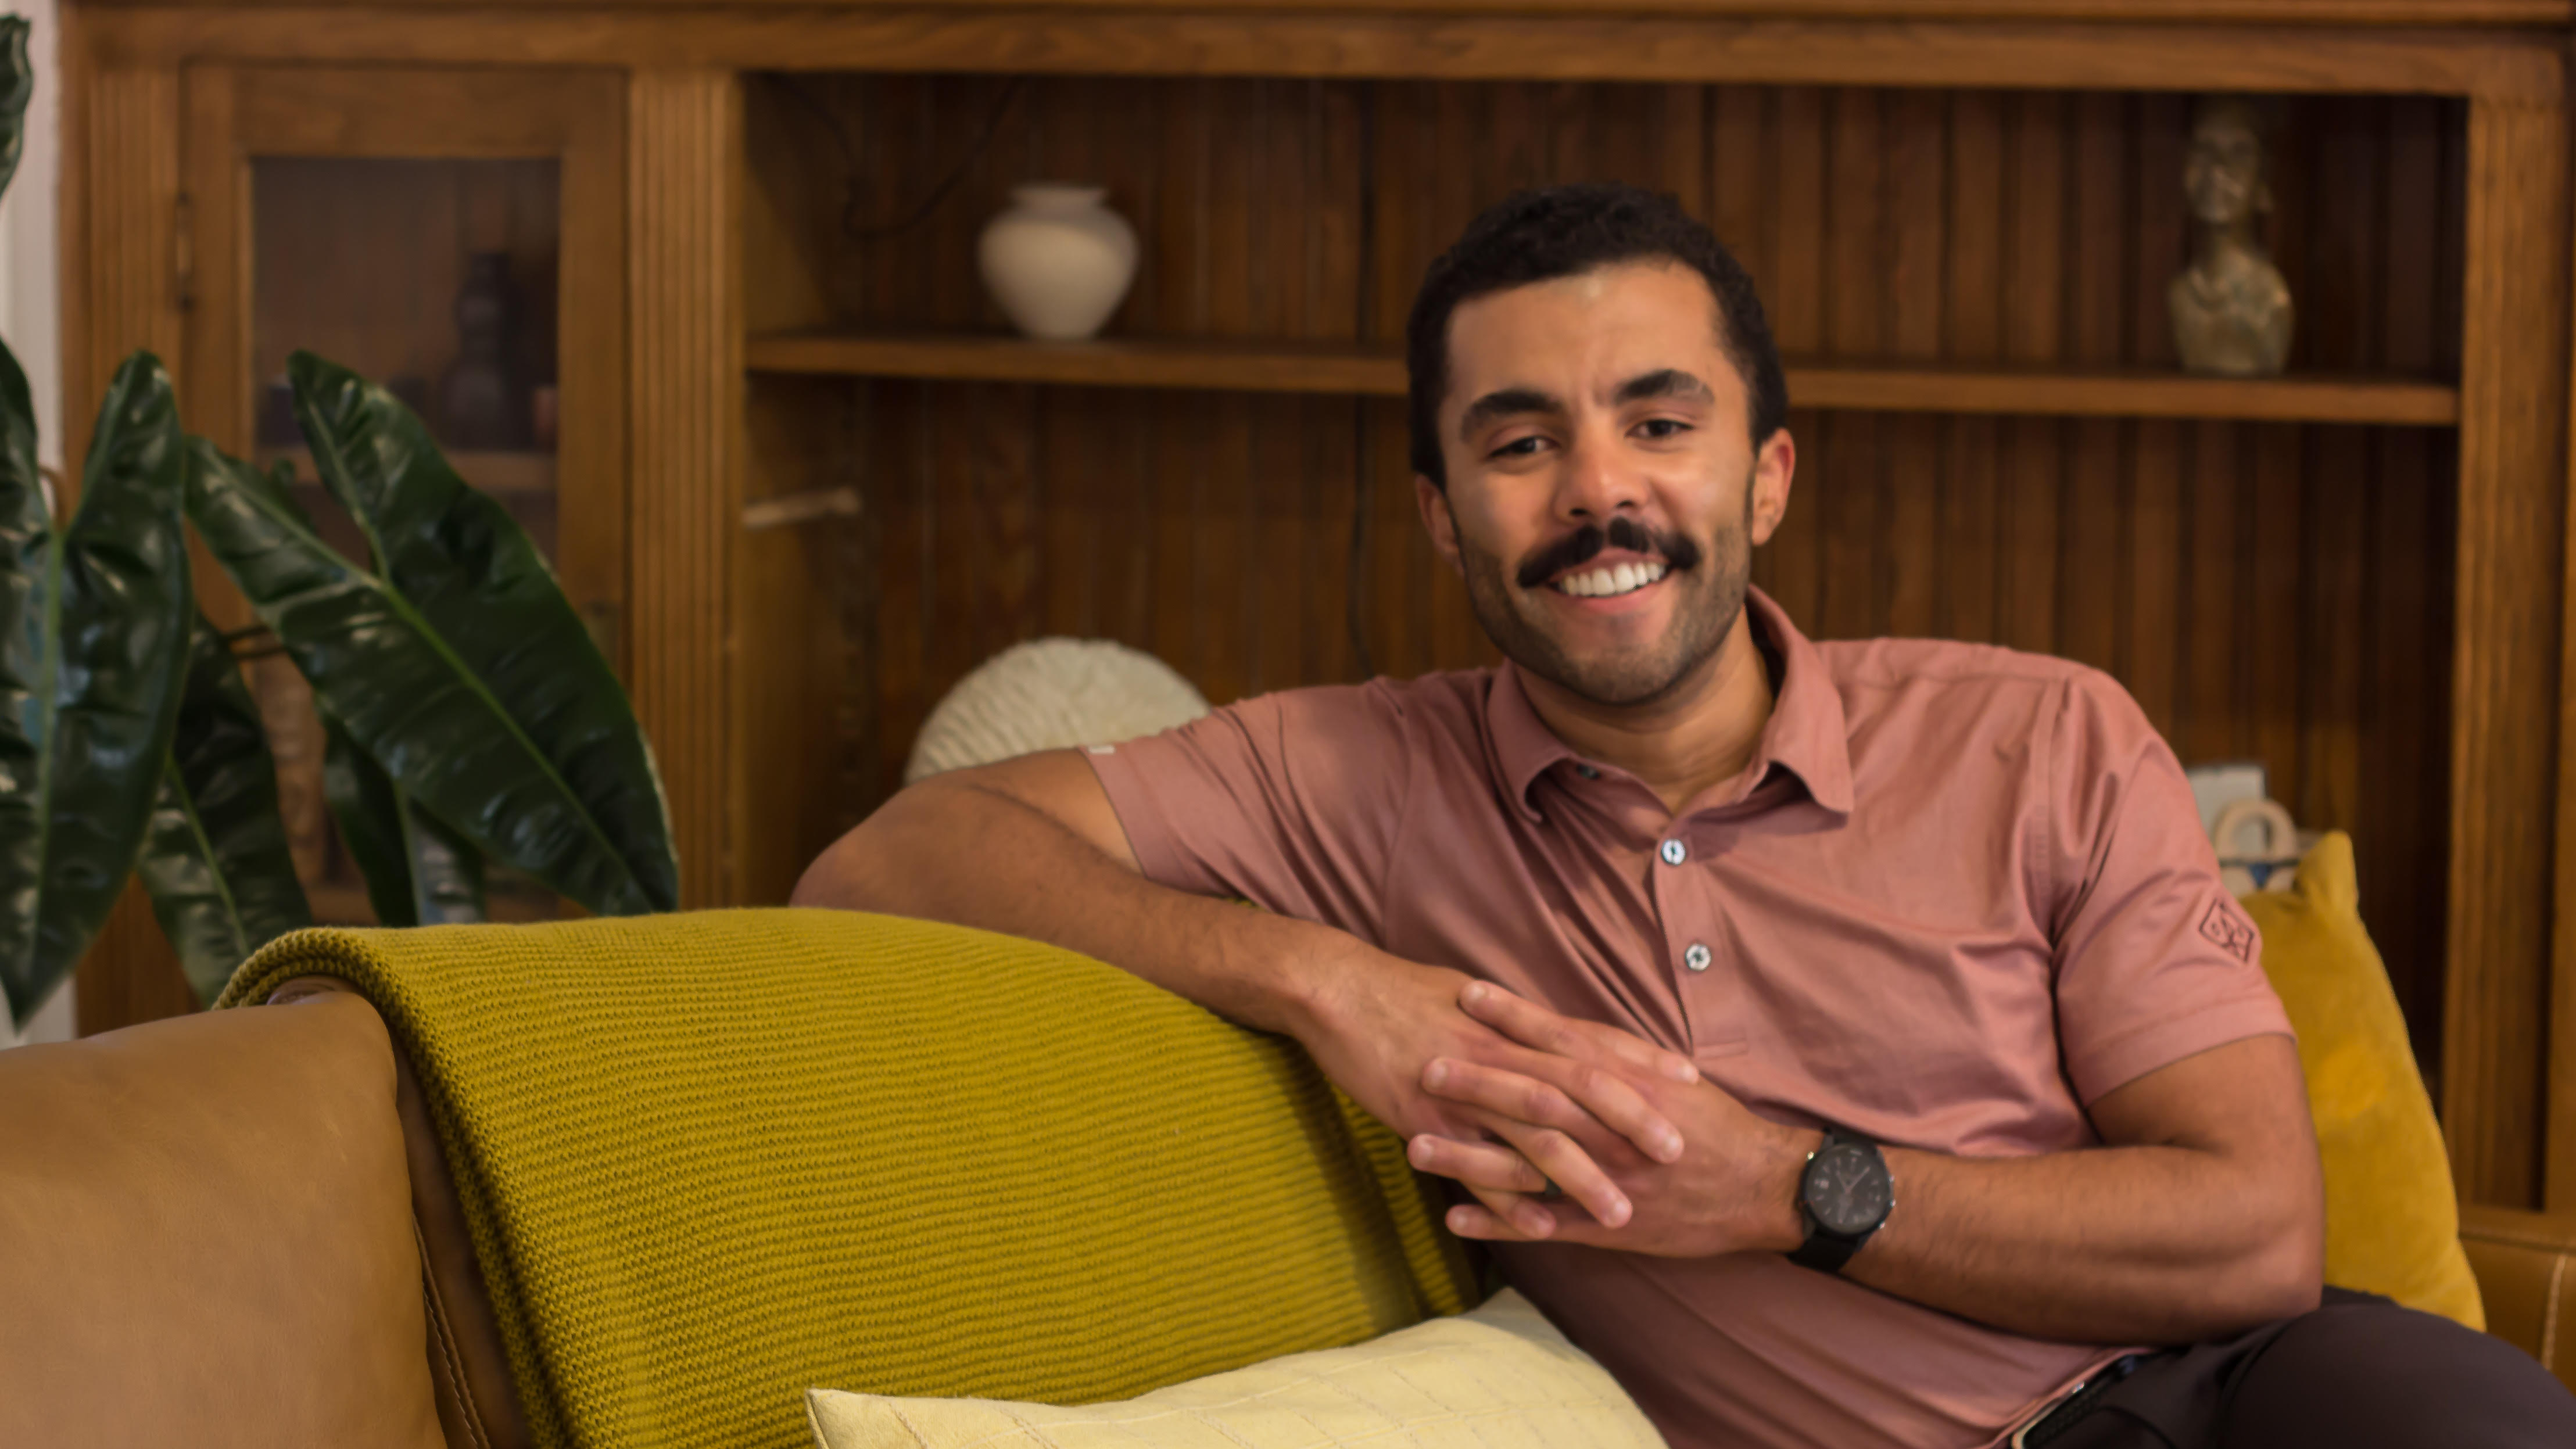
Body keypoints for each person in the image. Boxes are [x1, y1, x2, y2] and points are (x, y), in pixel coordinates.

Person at [793, 184, 2575, 1448]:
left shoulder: (2041, 736)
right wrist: (1331, 985)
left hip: (2240, 1396)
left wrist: (1782, 1188)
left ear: (1764, 477)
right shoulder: (1346, 777)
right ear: (1439, 516)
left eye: (1659, 423)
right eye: (1518, 444)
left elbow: (2254, 1234)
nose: (1598, 493)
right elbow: (884, 860)